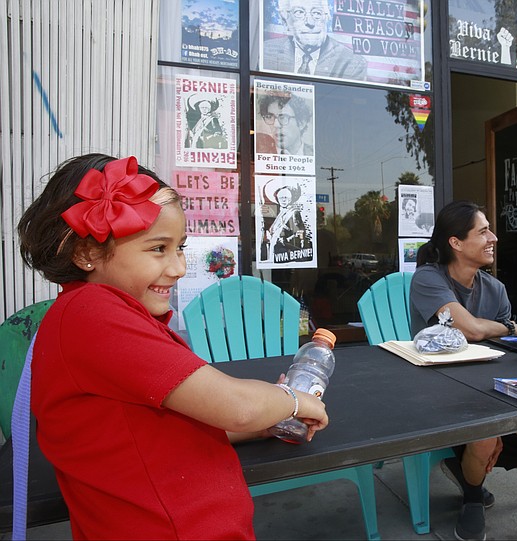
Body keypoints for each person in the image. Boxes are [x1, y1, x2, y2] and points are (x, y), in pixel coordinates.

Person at [17, 154, 329, 539]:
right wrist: (294, 400)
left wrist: (264, 423)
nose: (179, 267)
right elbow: (238, 407)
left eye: (179, 247)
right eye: (158, 249)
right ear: (86, 254)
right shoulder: (92, 314)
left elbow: (163, 428)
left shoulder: (104, 316)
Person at [409, 200, 517, 541]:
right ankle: (472, 497)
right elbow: (472, 330)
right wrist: (509, 328)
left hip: (487, 392)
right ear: (455, 242)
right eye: (483, 232)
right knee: (485, 433)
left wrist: (503, 333)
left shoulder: (494, 289)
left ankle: (465, 465)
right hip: (435, 393)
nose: (493, 237)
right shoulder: (428, 278)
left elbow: (500, 352)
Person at [264, 0, 367, 80]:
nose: (310, 22)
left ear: (327, 18)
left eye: (317, 13)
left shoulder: (352, 63)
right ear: (285, 22)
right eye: (299, 12)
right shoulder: (265, 52)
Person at [265, 184, 311, 263]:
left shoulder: (294, 212)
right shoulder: (280, 214)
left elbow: (300, 232)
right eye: (281, 198)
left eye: (286, 197)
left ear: (290, 199)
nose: (283, 200)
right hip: (276, 252)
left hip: (287, 251)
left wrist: (286, 239)